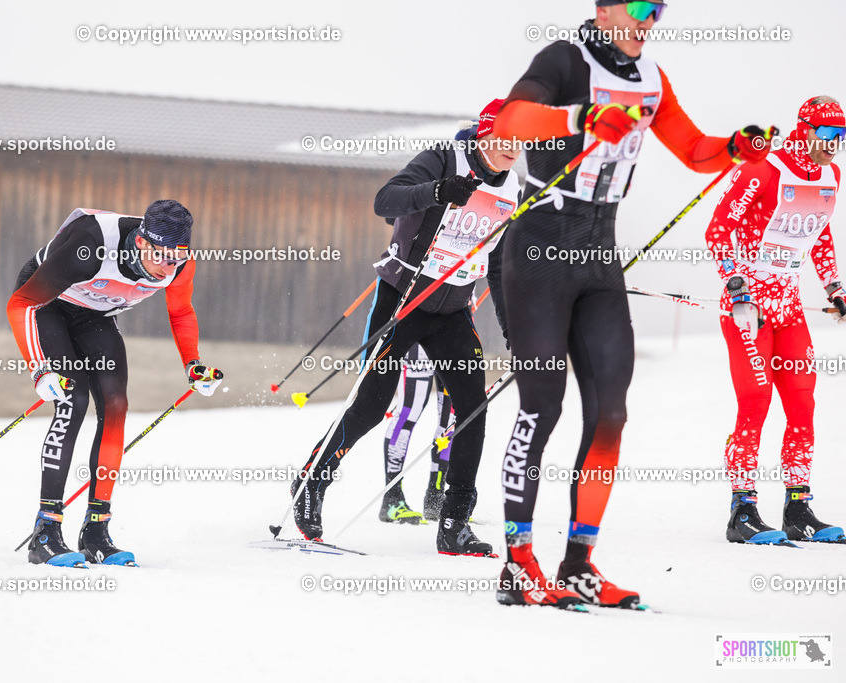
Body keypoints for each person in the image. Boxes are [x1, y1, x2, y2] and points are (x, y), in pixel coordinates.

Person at [490, 0, 776, 609]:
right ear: (605, 8)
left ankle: (578, 564)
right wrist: (580, 117)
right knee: (542, 409)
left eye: (660, 7)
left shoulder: (651, 79)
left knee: (611, 415)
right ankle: (517, 562)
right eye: (641, 6)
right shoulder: (564, 60)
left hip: (599, 255)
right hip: (540, 246)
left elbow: (695, 150)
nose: (651, 17)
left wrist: (736, 147)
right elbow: (507, 125)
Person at [292, 100, 520, 556]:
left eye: (522, 142)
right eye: (506, 140)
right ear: (483, 135)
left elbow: (497, 266)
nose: (514, 150)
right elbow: (385, 201)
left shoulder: (513, 187)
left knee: (471, 407)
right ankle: (310, 482)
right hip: (405, 298)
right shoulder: (442, 158)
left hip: (454, 308)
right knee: (373, 406)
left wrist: (513, 332)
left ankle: (454, 522)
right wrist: (436, 192)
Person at [6, 200, 224, 567]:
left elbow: (181, 311)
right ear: (140, 241)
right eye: (162, 256)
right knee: (72, 402)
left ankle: (96, 530)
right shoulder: (91, 243)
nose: (168, 266)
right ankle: (46, 531)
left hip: (94, 315)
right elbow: (21, 304)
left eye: (178, 256)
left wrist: (193, 365)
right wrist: (40, 369)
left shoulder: (179, 264)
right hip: (48, 304)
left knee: (116, 405)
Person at [706, 96, 846, 546]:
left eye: (842, 138)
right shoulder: (763, 169)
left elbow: (819, 232)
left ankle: (798, 508)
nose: (834, 146)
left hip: (788, 310)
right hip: (750, 311)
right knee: (755, 403)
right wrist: (733, 279)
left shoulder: (830, 176)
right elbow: (717, 230)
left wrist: (834, 288)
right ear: (804, 129)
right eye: (827, 136)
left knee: (803, 405)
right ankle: (742, 510)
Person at [378, 342, 454, 524]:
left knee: (451, 421)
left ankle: (436, 498)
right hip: (421, 334)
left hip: (455, 333)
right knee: (408, 413)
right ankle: (392, 497)